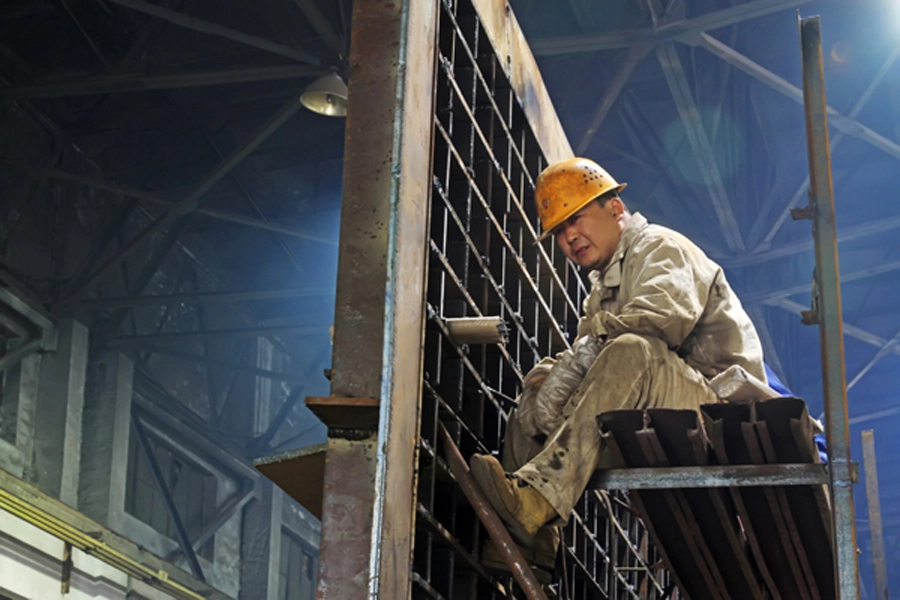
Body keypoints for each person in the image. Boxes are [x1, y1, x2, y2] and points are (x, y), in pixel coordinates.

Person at [470, 157, 766, 555]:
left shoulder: (661, 247)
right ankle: (533, 539)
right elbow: (593, 356)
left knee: (631, 349)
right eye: (559, 231)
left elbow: (660, 322)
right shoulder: (604, 287)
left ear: (615, 208)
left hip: (717, 409)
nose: (569, 237)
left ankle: (539, 499)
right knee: (541, 376)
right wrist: (554, 381)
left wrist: (587, 350)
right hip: (657, 402)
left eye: (576, 218)